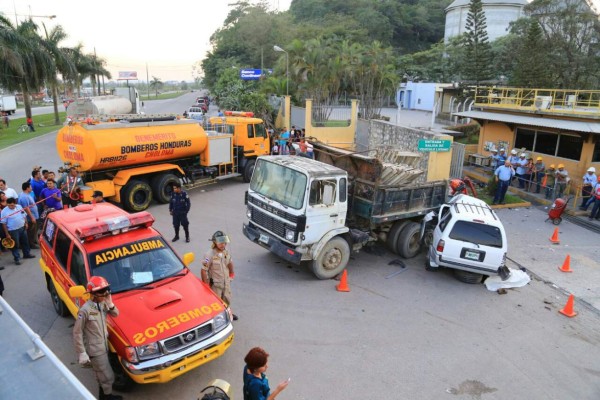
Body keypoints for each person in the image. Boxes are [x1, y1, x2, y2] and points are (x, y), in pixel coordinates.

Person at [73, 276, 122, 400]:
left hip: (104, 346)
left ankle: (104, 397)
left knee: (102, 376)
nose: (105, 293)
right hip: (95, 350)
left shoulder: (102, 305)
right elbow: (77, 332)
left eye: (107, 290)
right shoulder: (85, 311)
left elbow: (116, 314)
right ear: (93, 294)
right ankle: (107, 397)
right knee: (107, 376)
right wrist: (82, 353)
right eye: (102, 291)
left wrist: (110, 303)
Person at [202, 231, 237, 320]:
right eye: (220, 242)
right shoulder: (209, 254)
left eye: (224, 242)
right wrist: (206, 285)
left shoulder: (226, 252)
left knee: (227, 299)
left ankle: (229, 315)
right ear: (214, 242)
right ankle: (218, 319)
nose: (223, 245)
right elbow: (203, 270)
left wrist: (232, 273)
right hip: (215, 285)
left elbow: (230, 262)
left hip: (226, 282)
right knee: (216, 303)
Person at [1, 198, 35, 265]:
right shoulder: (4, 212)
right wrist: (7, 234)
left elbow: (23, 215)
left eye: (13, 205)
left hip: (22, 227)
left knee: (25, 242)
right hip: (13, 230)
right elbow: (4, 223)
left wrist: (26, 223)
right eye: (10, 205)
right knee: (15, 245)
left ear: (15, 203)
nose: (12, 206)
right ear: (7, 204)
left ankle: (26, 254)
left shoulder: (19, 206)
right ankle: (17, 258)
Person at [18, 181, 40, 249]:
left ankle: (33, 241)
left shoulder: (27, 195)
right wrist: (32, 217)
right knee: (31, 231)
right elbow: (26, 208)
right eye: (30, 187)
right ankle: (31, 244)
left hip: (34, 216)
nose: (31, 188)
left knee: (34, 230)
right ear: (27, 188)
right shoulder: (24, 197)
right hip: (30, 218)